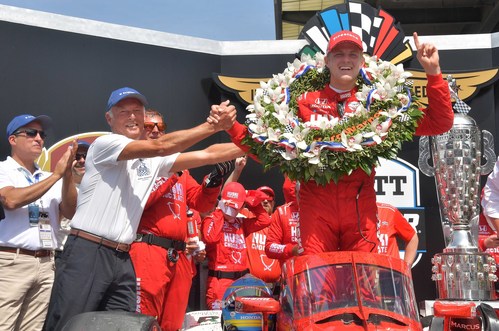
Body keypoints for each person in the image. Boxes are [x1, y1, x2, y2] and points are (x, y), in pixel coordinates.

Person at [219, 30, 453, 255]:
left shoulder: (381, 102)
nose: (346, 60)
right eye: (339, 54)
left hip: (361, 208)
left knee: (363, 283)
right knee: (318, 285)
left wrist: (433, 73)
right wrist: (232, 127)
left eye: (353, 54)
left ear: (362, 61)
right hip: (316, 206)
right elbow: (269, 150)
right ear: (327, 60)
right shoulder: (302, 100)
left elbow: (439, 123)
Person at [43, 87, 243, 331]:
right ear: (109, 119)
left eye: (137, 111)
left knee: (125, 325)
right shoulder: (106, 144)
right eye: (123, 111)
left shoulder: (151, 161)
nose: (132, 116)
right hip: (89, 250)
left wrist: (258, 144)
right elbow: (162, 147)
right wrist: (213, 125)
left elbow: (208, 154)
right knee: (68, 324)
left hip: (122, 257)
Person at [130, 109, 233, 331]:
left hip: (178, 255)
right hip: (148, 249)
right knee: (145, 321)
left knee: (173, 322)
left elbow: (201, 203)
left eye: (161, 127)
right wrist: (170, 172)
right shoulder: (135, 164)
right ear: (139, 131)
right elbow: (141, 201)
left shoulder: (181, 171)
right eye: (149, 126)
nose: (156, 131)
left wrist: (213, 182)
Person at [0, 114, 77, 331]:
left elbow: (70, 212)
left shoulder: (47, 176)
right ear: (12, 140)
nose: (39, 139)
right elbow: (10, 200)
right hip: (11, 261)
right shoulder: (3, 169)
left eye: (42, 134)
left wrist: (67, 174)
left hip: (45, 263)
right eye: (31, 133)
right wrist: (55, 177)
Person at [201, 181, 271, 309]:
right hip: (219, 283)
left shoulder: (241, 223)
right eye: (229, 206)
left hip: (242, 284)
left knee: (242, 322)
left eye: (235, 207)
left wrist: (253, 204)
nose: (232, 210)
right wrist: (220, 210)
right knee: (220, 322)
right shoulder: (211, 219)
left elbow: (265, 221)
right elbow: (210, 238)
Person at [54, 140, 90, 263]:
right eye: (77, 156)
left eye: (86, 156)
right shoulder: (56, 186)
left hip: (90, 253)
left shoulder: (101, 187)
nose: (82, 160)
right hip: (63, 252)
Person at [376, 202, 419, 266]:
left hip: (390, 272)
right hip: (363, 271)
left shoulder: (388, 211)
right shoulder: (355, 214)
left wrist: (406, 268)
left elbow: (412, 238)